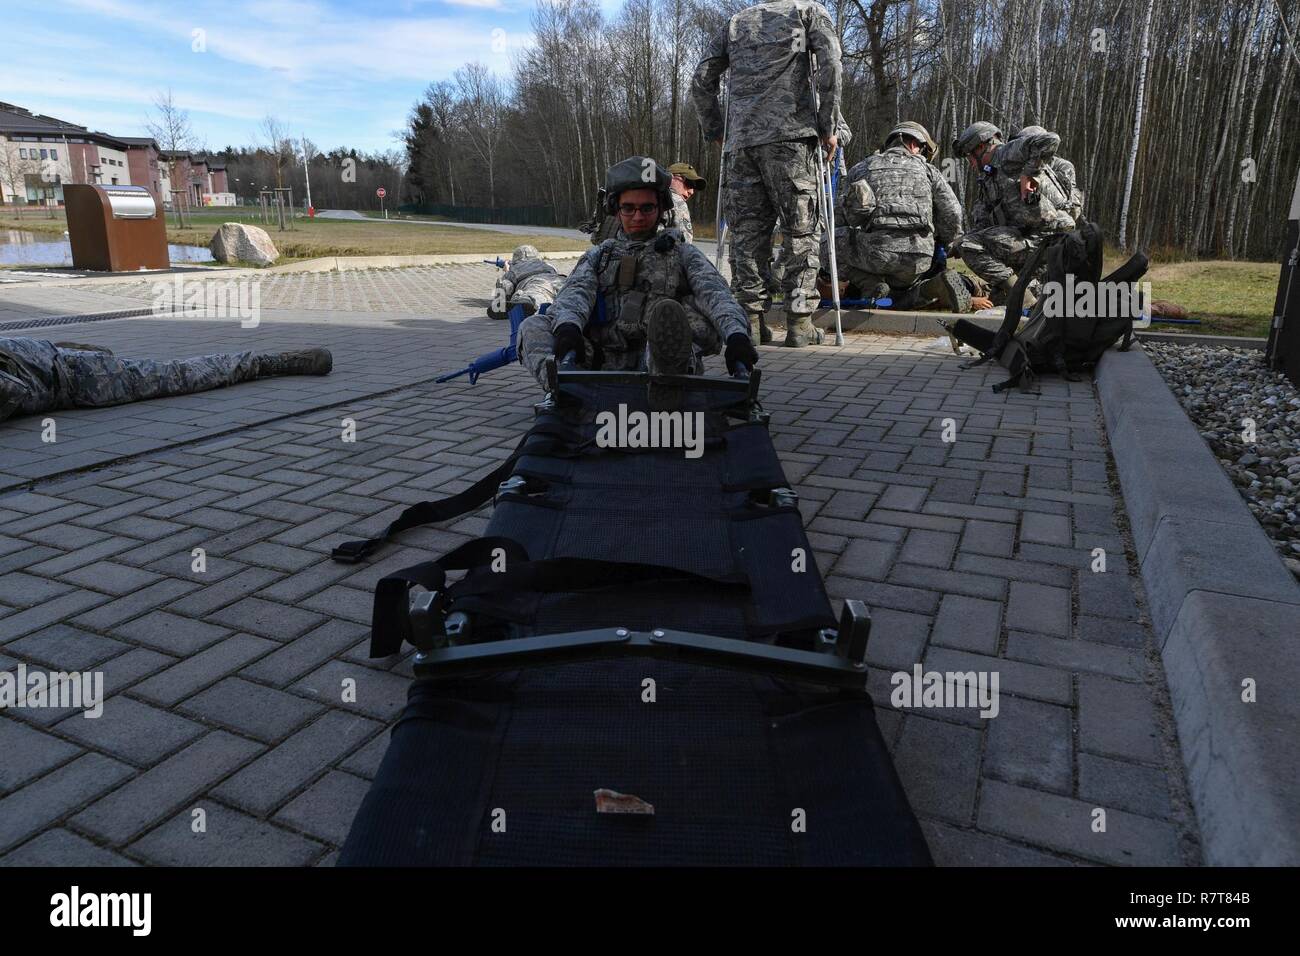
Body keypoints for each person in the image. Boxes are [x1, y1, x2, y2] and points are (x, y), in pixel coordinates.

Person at [518, 157, 756, 408]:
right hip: (602, 359)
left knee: (672, 322)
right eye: (628, 208)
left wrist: (737, 335)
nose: (638, 216)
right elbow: (576, 292)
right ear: (616, 209)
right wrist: (568, 327)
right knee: (533, 326)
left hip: (660, 361)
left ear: (661, 209)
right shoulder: (601, 255)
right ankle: (567, 392)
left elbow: (716, 295)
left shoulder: (683, 254)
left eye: (647, 208)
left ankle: (664, 395)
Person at [692, 0, 843, 348]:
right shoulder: (807, 12)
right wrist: (828, 125)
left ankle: (751, 322)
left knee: (746, 235)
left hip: (741, 145)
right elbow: (831, 63)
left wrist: (716, 130)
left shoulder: (735, 23)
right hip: (791, 137)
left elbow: (702, 80)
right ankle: (799, 323)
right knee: (801, 231)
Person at [0, 339, 332, 422]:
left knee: (181, 374)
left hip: (75, 376)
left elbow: (12, 391)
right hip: (53, 360)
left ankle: (267, 363)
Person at [828, 121, 970, 311]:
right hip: (918, 259)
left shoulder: (862, 168)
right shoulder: (930, 172)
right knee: (907, 281)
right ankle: (929, 287)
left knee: (826, 242)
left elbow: (837, 218)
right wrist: (946, 242)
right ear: (913, 144)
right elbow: (953, 212)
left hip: (875, 255)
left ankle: (869, 284)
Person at [949, 122, 1078, 306]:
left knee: (969, 244)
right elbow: (984, 226)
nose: (969, 163)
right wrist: (956, 245)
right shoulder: (989, 178)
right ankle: (1032, 295)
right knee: (998, 299)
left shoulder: (1006, 153)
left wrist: (1029, 173)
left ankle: (1027, 302)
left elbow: (1050, 140)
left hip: (1053, 238)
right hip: (1032, 241)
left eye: (969, 156)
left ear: (980, 147)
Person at [488, 244, 564, 320]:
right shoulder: (547, 264)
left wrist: (506, 272)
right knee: (567, 296)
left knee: (533, 296)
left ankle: (520, 304)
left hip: (535, 283)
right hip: (557, 281)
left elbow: (507, 286)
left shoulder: (514, 268)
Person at [665, 162, 706, 244]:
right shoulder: (676, 201)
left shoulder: (646, 196)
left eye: (693, 187)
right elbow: (685, 245)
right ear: (671, 177)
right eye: (689, 183)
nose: (691, 191)